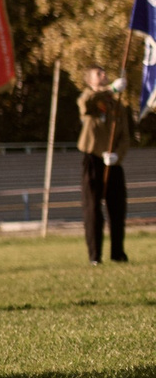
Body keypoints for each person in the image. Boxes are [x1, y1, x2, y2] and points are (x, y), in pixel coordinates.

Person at [76, 66, 130, 265]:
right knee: (92, 209)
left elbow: (125, 136)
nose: (104, 75)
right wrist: (112, 90)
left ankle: (118, 253)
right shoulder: (88, 99)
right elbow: (86, 103)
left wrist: (118, 155)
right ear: (90, 81)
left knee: (118, 208)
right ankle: (94, 256)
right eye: (98, 74)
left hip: (113, 160)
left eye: (105, 73)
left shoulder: (117, 106)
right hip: (93, 159)